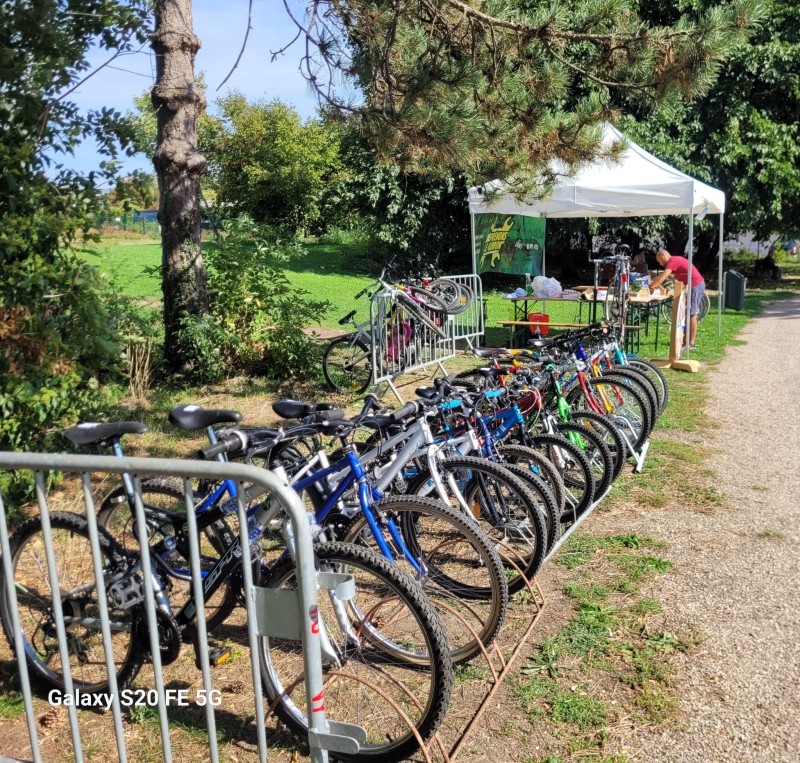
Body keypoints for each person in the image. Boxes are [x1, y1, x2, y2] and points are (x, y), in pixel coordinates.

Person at [649, 248, 705, 348]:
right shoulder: (674, 261)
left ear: (663, 256)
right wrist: (650, 281)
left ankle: (691, 343)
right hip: (692, 285)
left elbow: (663, 278)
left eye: (660, 261)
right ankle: (685, 341)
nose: (660, 264)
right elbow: (662, 275)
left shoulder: (672, 261)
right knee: (688, 313)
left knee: (692, 314)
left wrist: (651, 286)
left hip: (695, 285)